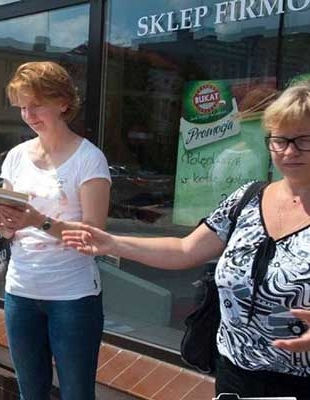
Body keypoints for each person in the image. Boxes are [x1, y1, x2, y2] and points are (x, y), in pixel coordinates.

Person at [61, 83, 310, 399]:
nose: (289, 151)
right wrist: (112, 243)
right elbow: (185, 249)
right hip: (233, 376)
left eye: (304, 140)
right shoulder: (247, 199)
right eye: (280, 139)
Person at [0, 61, 111, 400]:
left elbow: (95, 236)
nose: (28, 114)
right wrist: (1, 222)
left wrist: (36, 220)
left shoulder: (89, 159)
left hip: (73, 296)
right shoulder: (15, 157)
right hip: (21, 290)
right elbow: (12, 225)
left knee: (76, 393)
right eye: (23, 106)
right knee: (31, 392)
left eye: (36, 104)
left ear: (63, 103)